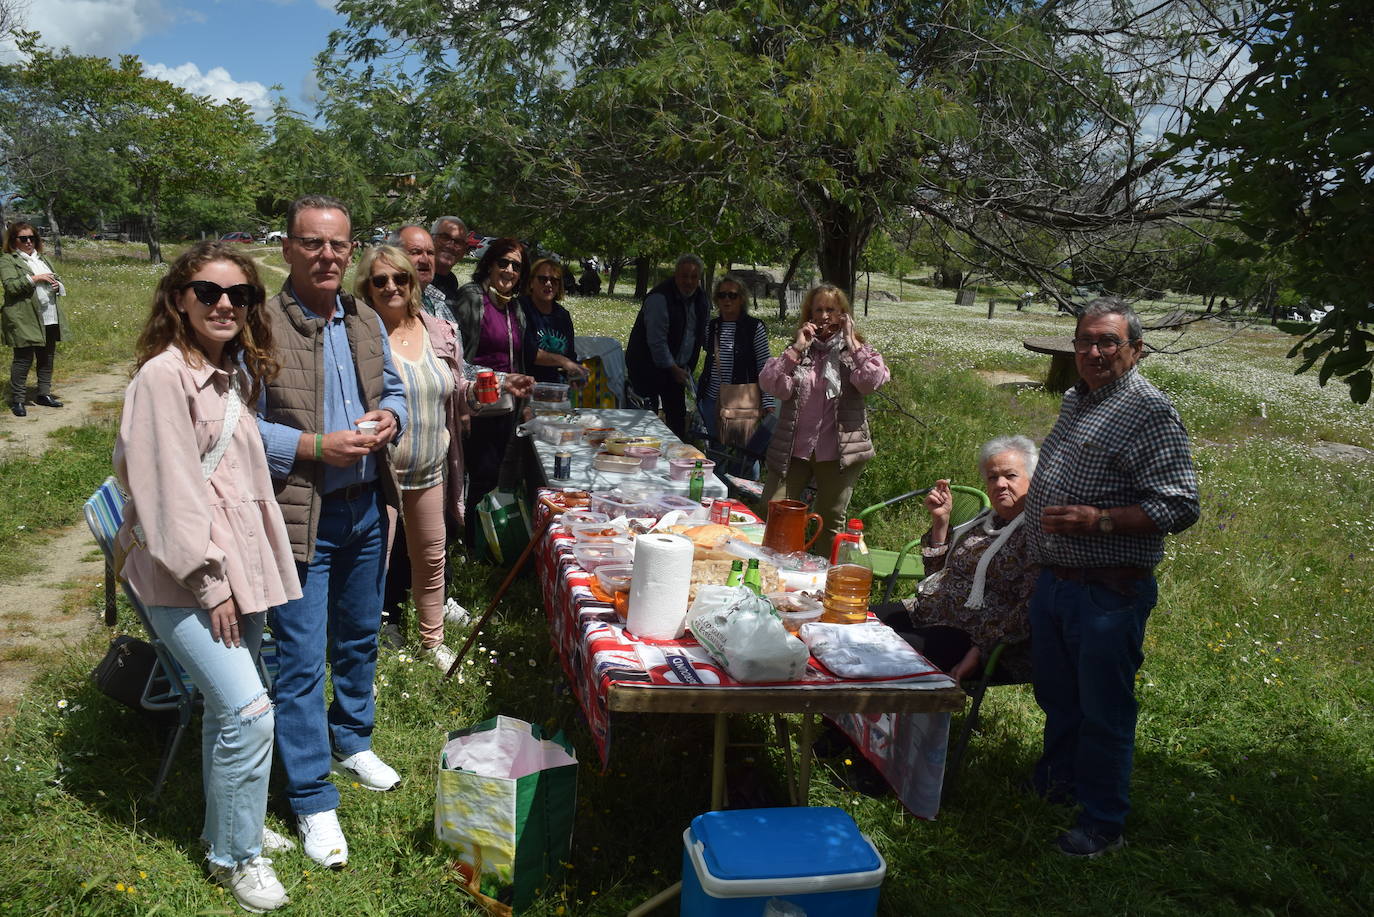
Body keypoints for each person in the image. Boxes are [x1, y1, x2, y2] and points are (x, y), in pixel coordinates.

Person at [114, 241, 301, 912]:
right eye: (209, 291)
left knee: (230, 709)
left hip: (233, 565)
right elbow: (169, 497)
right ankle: (235, 857)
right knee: (249, 712)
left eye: (240, 294)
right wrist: (211, 582)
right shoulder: (164, 378)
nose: (225, 304)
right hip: (187, 576)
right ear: (179, 299)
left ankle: (232, 822)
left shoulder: (227, 372)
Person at [256, 195, 409, 869]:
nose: (326, 255)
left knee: (358, 635)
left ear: (351, 251)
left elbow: (394, 391)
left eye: (337, 244)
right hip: (302, 513)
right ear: (287, 248)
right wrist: (315, 445)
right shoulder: (260, 324)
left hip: (366, 507)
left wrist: (391, 420)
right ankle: (312, 797)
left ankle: (351, 737)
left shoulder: (363, 317)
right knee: (299, 660)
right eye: (312, 243)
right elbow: (238, 427)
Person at [1024, 296, 1200, 857]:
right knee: (1059, 696)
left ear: (1136, 349)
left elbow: (1180, 505)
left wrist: (1098, 520)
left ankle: (1103, 823)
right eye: (1085, 341)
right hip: (1057, 581)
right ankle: (1059, 782)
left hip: (1107, 589)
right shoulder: (1079, 397)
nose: (1094, 351)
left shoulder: (1149, 411)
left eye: (1108, 341)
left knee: (1105, 710)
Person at [870, 436, 1041, 681]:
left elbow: (1029, 607)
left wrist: (979, 651)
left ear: (1033, 480)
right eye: (992, 477)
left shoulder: (1037, 533)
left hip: (976, 636)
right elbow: (935, 574)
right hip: (928, 613)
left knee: (880, 651)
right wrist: (941, 522)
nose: (1000, 484)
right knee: (852, 622)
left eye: (1010, 475)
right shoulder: (983, 522)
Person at [759, 283, 889, 558]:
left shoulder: (855, 352)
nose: (824, 316)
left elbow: (872, 381)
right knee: (773, 509)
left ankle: (822, 576)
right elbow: (770, 383)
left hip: (838, 453)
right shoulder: (800, 351)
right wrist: (797, 348)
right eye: (818, 310)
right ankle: (773, 568)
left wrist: (852, 341)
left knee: (830, 520)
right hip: (795, 450)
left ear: (843, 314)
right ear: (809, 314)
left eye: (831, 309)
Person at [452, 238, 530, 531]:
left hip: (506, 404)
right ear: (489, 264)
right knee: (478, 474)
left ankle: (485, 536)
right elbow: (457, 356)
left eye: (516, 266)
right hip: (476, 402)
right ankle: (469, 539)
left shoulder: (514, 307)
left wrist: (523, 400)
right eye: (503, 262)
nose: (509, 270)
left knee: (496, 473)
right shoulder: (473, 298)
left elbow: (516, 359)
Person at [625, 254, 708, 439]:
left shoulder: (701, 299)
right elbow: (657, 341)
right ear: (675, 275)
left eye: (694, 277)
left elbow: (701, 333)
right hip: (646, 368)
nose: (689, 281)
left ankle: (675, 453)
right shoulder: (659, 298)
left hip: (677, 370)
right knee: (646, 421)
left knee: (677, 421)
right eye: (684, 276)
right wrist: (673, 368)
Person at [695, 272, 774, 444]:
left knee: (741, 450)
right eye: (722, 295)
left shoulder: (754, 328)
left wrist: (767, 400)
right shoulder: (712, 327)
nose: (727, 300)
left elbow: (765, 366)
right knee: (715, 447)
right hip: (711, 399)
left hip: (741, 400)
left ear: (742, 299)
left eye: (732, 295)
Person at [2, 223, 68, 417]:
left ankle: (44, 394)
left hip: (49, 314)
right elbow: (11, 287)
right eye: (23, 238)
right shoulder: (7, 260)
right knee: (23, 358)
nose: (29, 242)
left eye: (32, 238)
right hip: (24, 317)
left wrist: (57, 285)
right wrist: (35, 278)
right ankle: (18, 400)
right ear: (13, 240)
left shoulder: (43, 258)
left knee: (47, 357)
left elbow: (56, 279)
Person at [519, 257, 586, 386]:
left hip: (557, 388)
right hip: (526, 385)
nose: (549, 284)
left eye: (554, 281)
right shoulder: (521, 309)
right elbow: (527, 352)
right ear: (531, 282)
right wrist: (563, 361)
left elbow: (569, 355)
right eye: (543, 279)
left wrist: (575, 374)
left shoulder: (562, 316)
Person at [394, 225, 455, 324]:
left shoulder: (437, 299)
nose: (425, 260)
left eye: (430, 253)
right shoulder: (390, 302)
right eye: (415, 252)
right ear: (394, 257)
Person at [429, 215, 469, 309]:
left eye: (458, 242)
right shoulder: (413, 278)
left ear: (464, 250)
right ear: (430, 239)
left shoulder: (451, 281)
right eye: (444, 238)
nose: (450, 246)